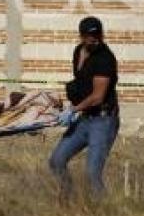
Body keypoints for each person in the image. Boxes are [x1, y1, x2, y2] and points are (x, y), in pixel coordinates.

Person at [48, 16, 119, 198]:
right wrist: (68, 109)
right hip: (84, 118)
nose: (93, 38)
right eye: (89, 35)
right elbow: (81, 86)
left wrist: (73, 110)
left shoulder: (105, 59)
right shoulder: (78, 51)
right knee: (57, 161)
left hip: (103, 121)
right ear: (81, 36)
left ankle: (103, 211)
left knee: (92, 173)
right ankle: (69, 198)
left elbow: (97, 97)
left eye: (96, 35)